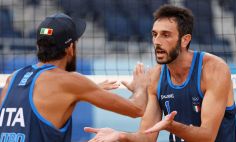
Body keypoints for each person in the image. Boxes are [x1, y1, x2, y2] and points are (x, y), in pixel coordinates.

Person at [84, 5, 236, 142]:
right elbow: (147, 137)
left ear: (185, 40)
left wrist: (172, 126)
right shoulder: (156, 76)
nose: (157, 41)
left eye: (165, 35)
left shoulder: (214, 69)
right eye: (154, 34)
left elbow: (207, 137)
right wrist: (119, 135)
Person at [0, 13, 149, 142]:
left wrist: (85, 91)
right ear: (70, 48)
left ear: (39, 46)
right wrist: (141, 87)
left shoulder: (12, 78)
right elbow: (136, 109)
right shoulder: (70, 81)